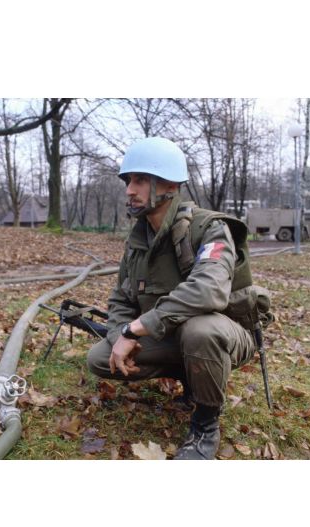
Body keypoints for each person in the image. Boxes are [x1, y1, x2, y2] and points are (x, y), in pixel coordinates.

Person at [87, 137, 256, 460]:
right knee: (100, 358)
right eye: (127, 181)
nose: (129, 190)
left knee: (201, 332)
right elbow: (120, 299)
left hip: (227, 334)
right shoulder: (138, 239)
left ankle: (206, 423)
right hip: (174, 335)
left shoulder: (210, 229)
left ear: (168, 185)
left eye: (139, 180)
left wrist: (135, 329)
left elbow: (209, 289)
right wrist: (119, 334)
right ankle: (191, 375)